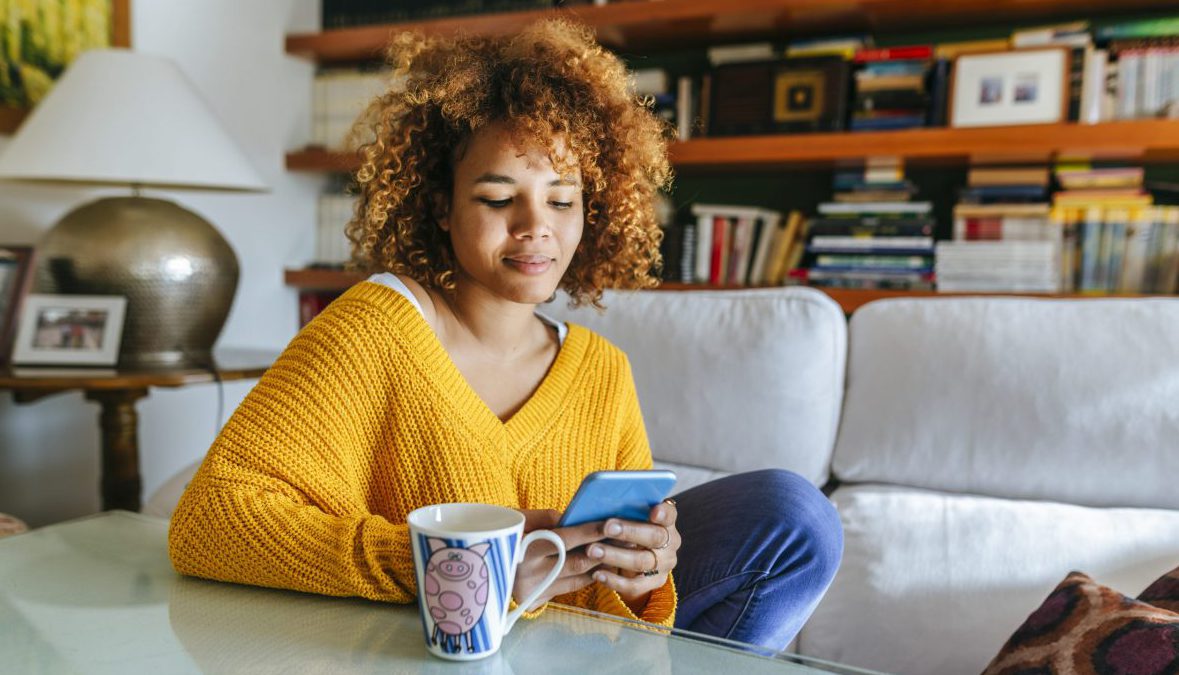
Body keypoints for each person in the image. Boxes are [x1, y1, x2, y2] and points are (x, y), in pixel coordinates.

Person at [168, 19, 841, 650]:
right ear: (439, 202)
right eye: (497, 197)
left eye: (561, 197)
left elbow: (630, 605)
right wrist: (457, 569)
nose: (534, 226)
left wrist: (646, 571)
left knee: (791, 517)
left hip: (572, 653)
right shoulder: (369, 330)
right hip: (422, 648)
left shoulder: (600, 370)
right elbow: (207, 524)